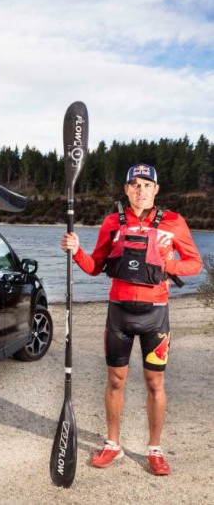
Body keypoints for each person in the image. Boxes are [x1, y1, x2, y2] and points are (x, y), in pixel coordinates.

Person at [60, 163, 202, 476]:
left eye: (147, 185)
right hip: (119, 314)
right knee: (115, 380)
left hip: (156, 316)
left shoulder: (173, 223)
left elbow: (195, 264)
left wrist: (168, 264)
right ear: (126, 190)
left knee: (155, 383)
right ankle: (113, 445)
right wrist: (76, 250)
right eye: (135, 185)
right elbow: (95, 266)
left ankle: (154, 448)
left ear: (156, 189)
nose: (141, 191)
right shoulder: (113, 222)